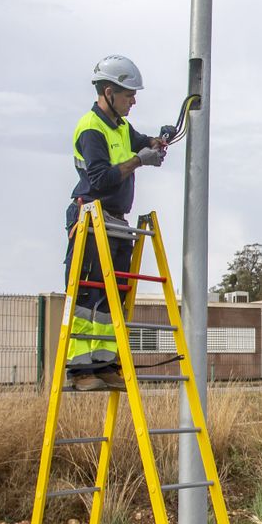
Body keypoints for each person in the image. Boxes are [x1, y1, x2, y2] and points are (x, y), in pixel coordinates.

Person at [65, 55, 167, 391]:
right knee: (87, 297)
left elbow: (141, 142)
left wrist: (156, 141)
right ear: (108, 92)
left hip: (115, 223)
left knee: (113, 299)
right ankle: (80, 370)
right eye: (128, 95)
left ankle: (105, 363)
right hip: (92, 218)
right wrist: (140, 161)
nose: (134, 100)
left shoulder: (121, 127)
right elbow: (102, 178)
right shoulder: (91, 129)